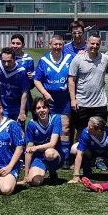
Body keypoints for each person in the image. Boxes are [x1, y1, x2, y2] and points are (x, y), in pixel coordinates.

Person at [33, 34, 75, 163]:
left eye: (60, 45)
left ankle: (65, 156)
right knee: (49, 126)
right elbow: (37, 80)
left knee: (65, 128)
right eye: (55, 44)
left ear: (63, 45)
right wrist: (45, 93)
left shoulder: (69, 58)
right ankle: (49, 153)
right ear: (50, 44)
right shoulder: (44, 60)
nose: (57, 47)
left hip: (64, 99)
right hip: (49, 100)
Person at [68, 33, 108, 139]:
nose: (94, 46)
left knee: (100, 132)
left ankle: (98, 155)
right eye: (92, 43)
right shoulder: (78, 59)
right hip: (82, 103)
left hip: (99, 104)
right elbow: (71, 80)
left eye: (97, 44)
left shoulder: (105, 58)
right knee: (81, 132)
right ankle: (79, 155)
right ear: (87, 43)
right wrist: (73, 99)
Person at [70, 116, 108, 184]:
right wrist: (76, 175)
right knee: (74, 149)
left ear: (98, 130)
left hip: (107, 153)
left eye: (90, 127)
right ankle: (87, 167)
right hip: (91, 152)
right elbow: (79, 153)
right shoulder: (86, 132)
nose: (87, 128)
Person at [20, 97, 62, 186]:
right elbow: (29, 149)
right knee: (35, 182)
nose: (42, 110)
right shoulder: (31, 124)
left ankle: (52, 171)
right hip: (39, 157)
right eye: (38, 108)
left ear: (48, 109)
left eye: (44, 107)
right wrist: (26, 175)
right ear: (34, 111)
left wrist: (36, 147)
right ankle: (42, 170)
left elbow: (52, 144)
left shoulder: (56, 119)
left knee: (49, 153)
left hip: (55, 154)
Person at [0, 47, 31, 123]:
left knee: (18, 132)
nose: (6, 64)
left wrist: (22, 111)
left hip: (16, 108)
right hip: (2, 108)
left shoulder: (21, 71)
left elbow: (25, 92)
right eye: (4, 61)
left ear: (14, 59)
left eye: (9, 61)